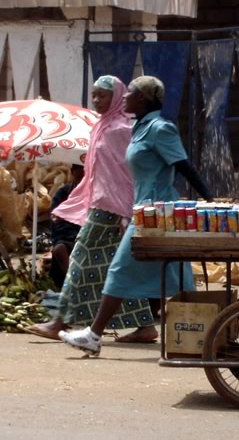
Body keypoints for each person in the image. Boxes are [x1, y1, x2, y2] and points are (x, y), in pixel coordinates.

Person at [60, 75, 214, 356]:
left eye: (129, 93)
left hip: (156, 212)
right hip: (143, 209)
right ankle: (209, 331)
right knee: (178, 273)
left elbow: (182, 165)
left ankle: (93, 335)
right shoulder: (139, 128)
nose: (125, 97)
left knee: (119, 268)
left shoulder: (159, 128)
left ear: (142, 98)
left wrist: (210, 199)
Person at [24, 75, 156, 342]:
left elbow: (129, 172)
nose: (96, 100)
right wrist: (77, 200)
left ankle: (59, 320)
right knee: (114, 267)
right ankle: (145, 326)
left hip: (111, 206)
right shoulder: (101, 127)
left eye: (102, 95)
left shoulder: (121, 130)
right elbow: (95, 172)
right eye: (94, 94)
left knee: (79, 257)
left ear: (117, 97)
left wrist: (128, 208)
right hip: (101, 202)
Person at [48, 164, 84, 289]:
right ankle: (73, 284)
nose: (81, 182)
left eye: (85, 178)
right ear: (72, 172)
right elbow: (56, 222)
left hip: (88, 237)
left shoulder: (95, 194)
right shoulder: (62, 193)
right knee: (59, 249)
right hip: (67, 237)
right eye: (79, 177)